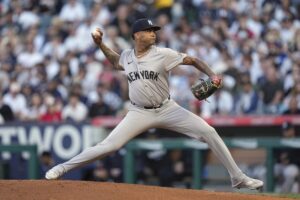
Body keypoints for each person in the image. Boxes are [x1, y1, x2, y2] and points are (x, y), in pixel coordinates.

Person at [45, 18, 263, 190]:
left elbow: (194, 60)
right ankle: (62, 168)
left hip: (168, 109)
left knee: (209, 131)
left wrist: (213, 75)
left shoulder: (164, 54)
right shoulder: (128, 56)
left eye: (154, 30)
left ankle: (238, 178)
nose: (153, 34)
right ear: (137, 35)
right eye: (149, 31)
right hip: (139, 112)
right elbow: (115, 61)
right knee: (109, 146)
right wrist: (101, 44)